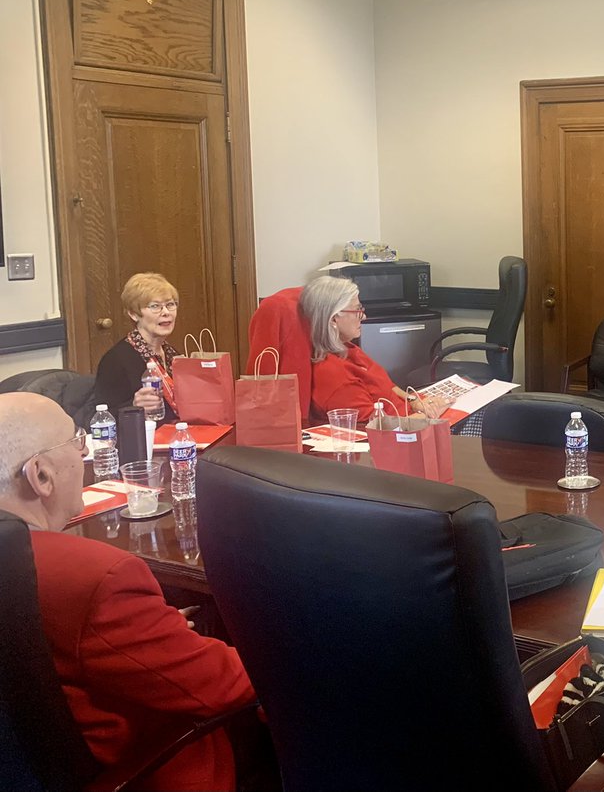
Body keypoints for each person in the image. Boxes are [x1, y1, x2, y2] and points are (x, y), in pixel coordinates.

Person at [0, 392, 254, 790]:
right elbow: (224, 685)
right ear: (41, 476)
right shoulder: (97, 578)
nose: (84, 456)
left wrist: (153, 628)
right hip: (149, 768)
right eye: (77, 442)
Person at [300, 275, 418, 421]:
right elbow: (380, 427)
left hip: (410, 415)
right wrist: (430, 417)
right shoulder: (333, 375)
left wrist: (415, 401)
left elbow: (387, 385)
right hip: (400, 433)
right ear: (333, 319)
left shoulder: (348, 349)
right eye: (357, 311)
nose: (363, 317)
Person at [94, 272, 180, 422]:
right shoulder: (116, 360)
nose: (166, 312)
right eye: (155, 306)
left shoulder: (172, 354)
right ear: (134, 314)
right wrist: (134, 406)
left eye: (170, 304)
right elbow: (103, 419)